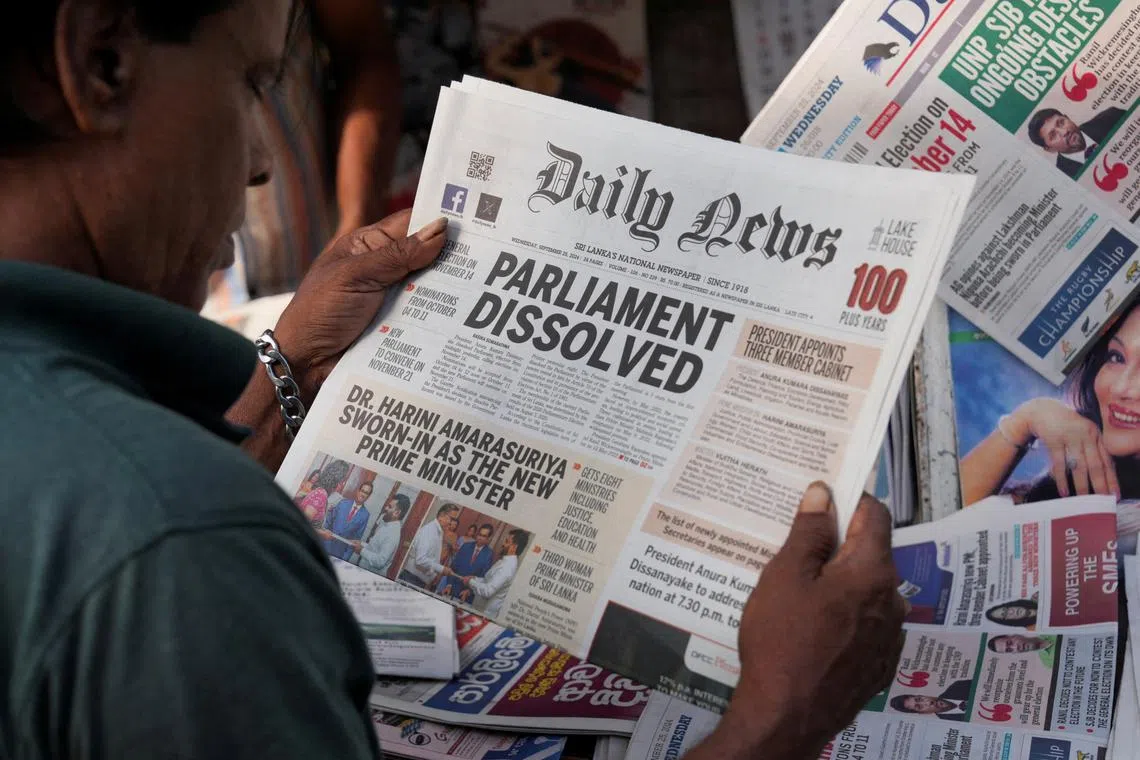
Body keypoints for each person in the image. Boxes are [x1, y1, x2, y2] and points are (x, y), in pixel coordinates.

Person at [0, 3, 905, 757]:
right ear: (101, 63)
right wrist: (779, 717)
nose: (259, 162)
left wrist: (297, 369)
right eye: (248, 82)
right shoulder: (181, 555)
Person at [205, 0, 402, 305]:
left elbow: (363, 52)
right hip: (197, 300)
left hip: (314, 253)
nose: (257, 167)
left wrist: (356, 224)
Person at [960, 300, 1140, 505]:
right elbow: (939, 521)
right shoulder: (1079, 480)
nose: (1120, 388)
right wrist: (1026, 420)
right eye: (1116, 357)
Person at [1027, 106, 1127, 179]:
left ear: (1068, 118)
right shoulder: (1064, 179)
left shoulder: (1112, 117)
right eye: (1053, 135)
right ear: (1050, 149)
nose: (1064, 132)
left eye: (1061, 123)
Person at [458, 529, 526, 617]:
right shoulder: (504, 561)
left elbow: (488, 591)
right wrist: (474, 578)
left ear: (514, 547)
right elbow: (488, 580)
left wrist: (470, 582)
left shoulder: (508, 567)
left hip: (484, 614)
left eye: (506, 542)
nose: (503, 544)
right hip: (478, 608)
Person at [400, 503, 460, 589]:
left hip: (418, 580)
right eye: (452, 519)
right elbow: (420, 559)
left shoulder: (439, 532)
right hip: (411, 579)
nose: (452, 523)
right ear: (442, 515)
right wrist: (441, 569)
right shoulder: (429, 530)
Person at [356, 493, 411, 576]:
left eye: (389, 507)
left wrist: (361, 550)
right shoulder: (387, 525)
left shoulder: (393, 534)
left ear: (397, 513)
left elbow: (380, 562)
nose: (385, 508)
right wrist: (360, 544)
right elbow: (374, 548)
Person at [319, 480, 373, 560]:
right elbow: (328, 522)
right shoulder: (343, 503)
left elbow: (356, 539)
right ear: (358, 491)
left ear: (368, 496)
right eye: (362, 491)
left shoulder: (365, 515)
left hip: (339, 553)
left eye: (366, 493)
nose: (363, 494)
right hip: (325, 544)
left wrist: (345, 558)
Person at [438, 523, 495, 599]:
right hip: (451, 588)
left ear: (489, 538)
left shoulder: (489, 554)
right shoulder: (466, 546)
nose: (480, 538)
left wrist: (469, 591)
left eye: (484, 536)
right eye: (479, 534)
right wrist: (449, 585)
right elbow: (453, 567)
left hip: (467, 595)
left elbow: (483, 577)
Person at [298, 459, 350, 528]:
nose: (343, 484)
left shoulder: (321, 492)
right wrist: (322, 533)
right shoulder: (321, 495)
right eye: (343, 481)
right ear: (336, 480)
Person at [889, 679, 972, 720]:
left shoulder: (958, 686)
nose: (928, 703)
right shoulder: (951, 724)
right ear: (923, 713)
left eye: (919, 699)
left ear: (923, 695)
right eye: (919, 707)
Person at [988, 634, 1052, 653]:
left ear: (1014, 635)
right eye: (1009, 650)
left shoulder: (1048, 631)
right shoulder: (1045, 661)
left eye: (1010, 643)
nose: (1016, 647)